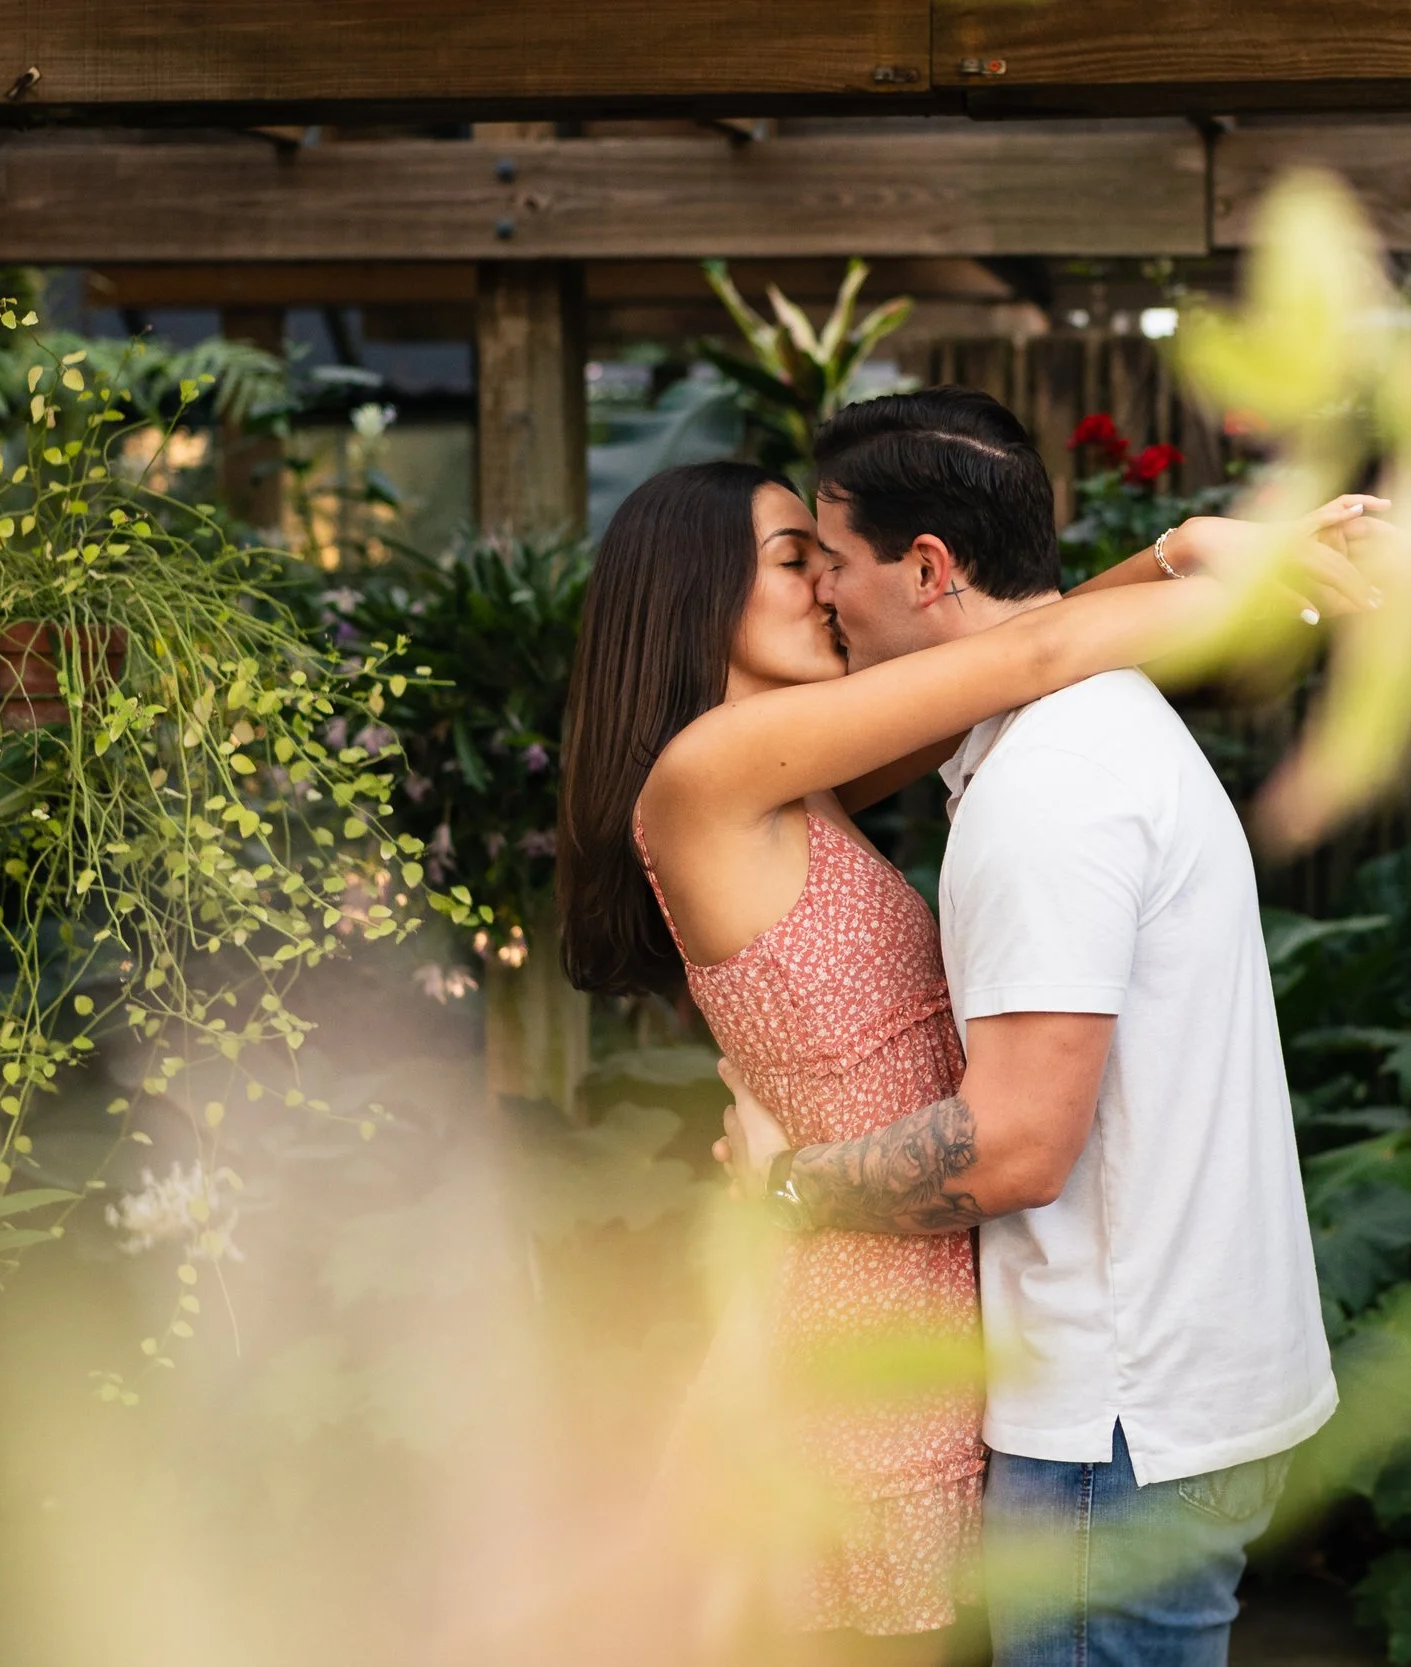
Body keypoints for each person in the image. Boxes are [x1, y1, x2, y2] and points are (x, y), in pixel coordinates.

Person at [556, 435, 1369, 1655]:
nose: (827, 587)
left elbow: (1002, 658)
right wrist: (1243, 577)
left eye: (827, 559)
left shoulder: (801, 775)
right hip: (863, 1307)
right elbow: (1029, 653)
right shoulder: (711, 771)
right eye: (795, 560)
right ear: (695, 597)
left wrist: (1174, 550)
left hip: (939, 1305)